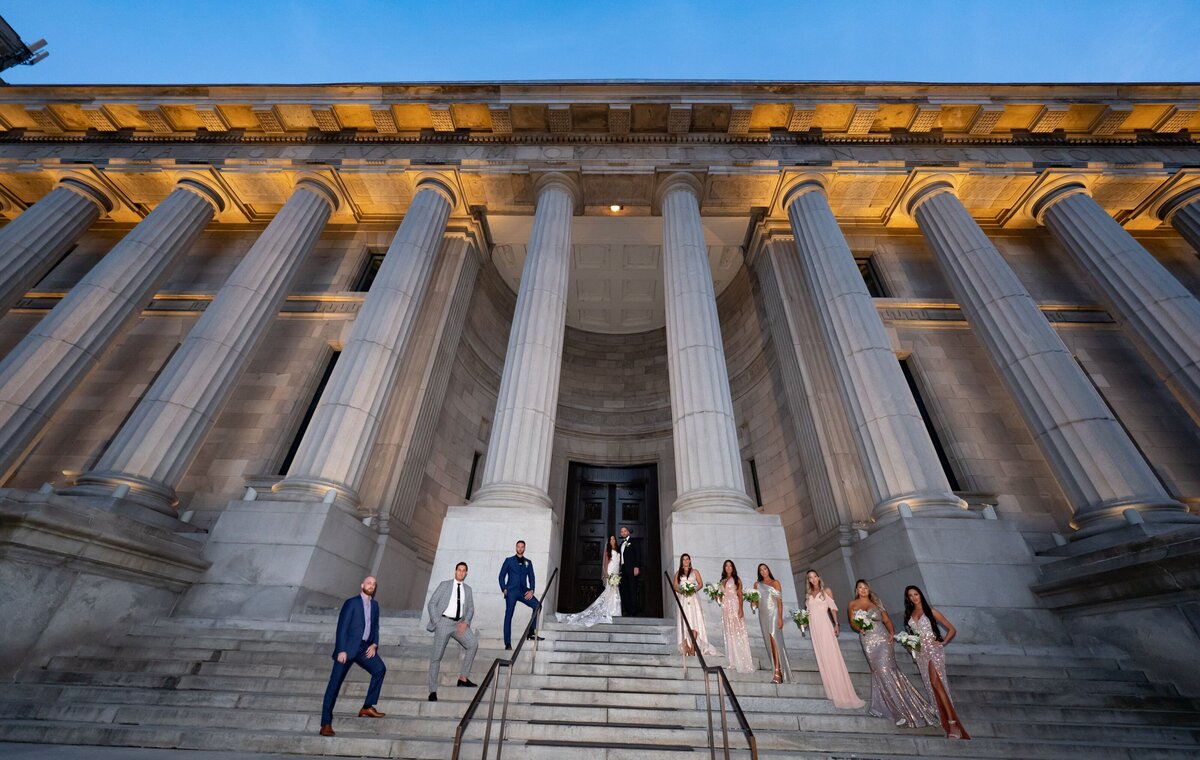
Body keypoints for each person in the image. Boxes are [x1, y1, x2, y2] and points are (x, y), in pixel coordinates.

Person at [847, 579, 937, 728]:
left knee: (888, 671)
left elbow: (887, 620)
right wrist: (859, 628)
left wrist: (891, 633)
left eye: (865, 588)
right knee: (879, 672)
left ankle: (904, 708)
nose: (862, 590)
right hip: (868, 641)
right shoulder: (853, 604)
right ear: (856, 590)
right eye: (860, 588)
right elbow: (852, 622)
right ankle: (892, 710)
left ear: (869, 590)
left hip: (883, 640)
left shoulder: (876, 604)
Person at [318, 576, 386, 737]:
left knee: (380, 669)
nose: (371, 585)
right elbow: (342, 627)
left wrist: (374, 644)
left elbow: (375, 627)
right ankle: (326, 723)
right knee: (334, 684)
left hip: (364, 648)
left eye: (374, 584)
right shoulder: (352, 603)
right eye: (369, 583)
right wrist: (341, 649)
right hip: (347, 649)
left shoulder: (375, 605)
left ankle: (367, 706)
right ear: (362, 585)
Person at [904, 585, 971, 740]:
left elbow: (952, 629)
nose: (914, 597)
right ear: (908, 598)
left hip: (934, 651)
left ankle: (953, 722)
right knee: (931, 685)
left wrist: (942, 643)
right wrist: (910, 646)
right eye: (910, 595)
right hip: (921, 654)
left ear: (920, 595)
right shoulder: (910, 614)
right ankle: (945, 720)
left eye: (916, 594)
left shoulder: (931, 611)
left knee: (937, 683)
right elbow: (910, 637)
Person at [805, 568, 865, 709]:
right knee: (822, 657)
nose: (813, 579)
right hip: (814, 628)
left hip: (825, 625)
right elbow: (808, 613)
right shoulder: (808, 595)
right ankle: (831, 690)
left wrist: (836, 624)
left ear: (819, 577)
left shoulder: (826, 591)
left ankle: (842, 691)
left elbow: (833, 608)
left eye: (814, 576)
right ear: (808, 580)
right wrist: (802, 621)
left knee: (831, 655)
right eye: (810, 578)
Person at [425, 561, 479, 702]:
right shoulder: (445, 585)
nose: (461, 572)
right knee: (436, 657)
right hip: (444, 622)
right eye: (459, 570)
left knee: (473, 644)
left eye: (464, 570)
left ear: (466, 573)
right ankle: (432, 690)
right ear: (455, 571)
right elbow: (432, 603)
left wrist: (465, 622)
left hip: (459, 624)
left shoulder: (468, 589)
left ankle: (463, 678)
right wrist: (437, 621)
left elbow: (471, 608)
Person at [557, 535, 622, 626]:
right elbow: (606, 562)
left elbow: (618, 563)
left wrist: (618, 573)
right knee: (610, 591)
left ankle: (615, 611)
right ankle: (610, 610)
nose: (612, 540)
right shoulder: (608, 550)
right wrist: (606, 573)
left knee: (615, 591)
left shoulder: (618, 550)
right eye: (611, 539)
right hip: (610, 572)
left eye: (614, 539)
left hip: (616, 573)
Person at [753, 563, 793, 683]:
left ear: (768, 570)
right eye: (761, 570)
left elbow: (779, 602)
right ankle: (777, 669)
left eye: (765, 569)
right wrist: (753, 603)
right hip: (763, 614)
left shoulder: (775, 583)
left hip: (774, 613)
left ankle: (777, 671)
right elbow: (755, 602)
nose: (763, 571)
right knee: (768, 640)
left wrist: (780, 618)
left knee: (773, 637)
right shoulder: (757, 584)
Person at [498, 540, 541, 650]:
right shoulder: (509, 561)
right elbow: (501, 575)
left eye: (522, 547)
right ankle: (507, 643)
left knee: (537, 606)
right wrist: (504, 588)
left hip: (523, 591)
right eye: (518, 547)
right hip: (511, 591)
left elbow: (532, 577)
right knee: (509, 615)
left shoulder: (528, 562)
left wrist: (531, 590)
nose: (520, 548)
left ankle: (531, 632)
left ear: (524, 548)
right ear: (516, 548)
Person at [673, 553, 718, 658]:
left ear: (690, 560)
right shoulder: (678, 573)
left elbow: (700, 584)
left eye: (687, 559)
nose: (685, 561)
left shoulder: (695, 571)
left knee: (694, 621)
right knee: (684, 621)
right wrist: (682, 591)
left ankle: (693, 647)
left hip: (693, 599)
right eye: (683, 559)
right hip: (683, 599)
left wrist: (693, 590)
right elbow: (675, 585)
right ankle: (686, 646)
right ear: (681, 561)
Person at [718, 559, 754, 673]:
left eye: (730, 566)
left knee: (737, 631)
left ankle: (742, 659)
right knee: (729, 632)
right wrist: (716, 595)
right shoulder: (722, 581)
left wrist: (741, 609)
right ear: (724, 568)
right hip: (725, 608)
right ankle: (732, 660)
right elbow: (719, 597)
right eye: (726, 566)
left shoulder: (736, 579)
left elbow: (740, 594)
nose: (728, 568)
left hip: (734, 605)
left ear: (733, 568)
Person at [617, 526, 640, 616]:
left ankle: (634, 611)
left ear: (628, 532)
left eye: (625, 531)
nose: (623, 533)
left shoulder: (633, 542)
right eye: (622, 531)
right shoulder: (621, 544)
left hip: (631, 569)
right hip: (623, 570)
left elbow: (638, 554)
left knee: (632, 589)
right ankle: (627, 610)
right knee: (625, 590)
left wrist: (637, 566)